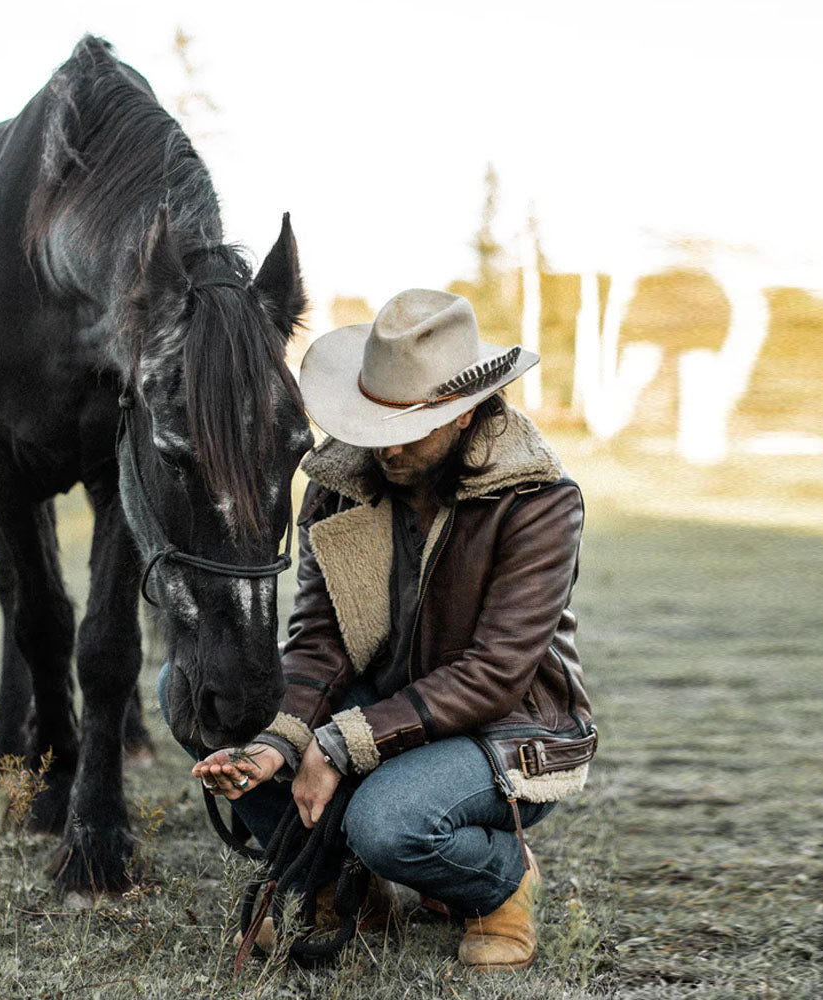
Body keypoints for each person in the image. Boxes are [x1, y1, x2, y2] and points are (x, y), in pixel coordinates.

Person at [185, 288, 597, 970]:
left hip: (502, 734)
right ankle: (339, 886)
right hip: (381, 710)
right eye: (376, 422)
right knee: (208, 685)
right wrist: (272, 745)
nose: (390, 446)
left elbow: (496, 674)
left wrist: (341, 744)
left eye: (413, 425)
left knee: (387, 823)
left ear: (465, 415)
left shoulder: (539, 502)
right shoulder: (340, 484)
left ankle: (503, 881)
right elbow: (320, 642)